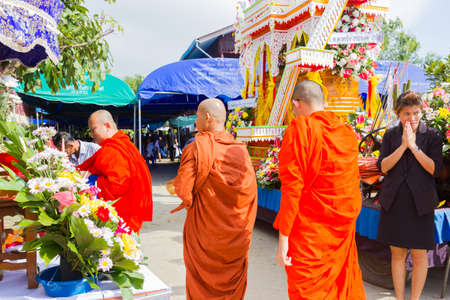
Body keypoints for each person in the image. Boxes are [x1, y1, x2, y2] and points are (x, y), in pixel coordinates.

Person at [274, 80, 365, 299]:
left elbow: (292, 187)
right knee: (338, 289)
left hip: (311, 232)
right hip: (341, 226)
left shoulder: (300, 129)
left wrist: (283, 237)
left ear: (297, 104)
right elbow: (353, 183)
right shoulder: (346, 132)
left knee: (310, 292)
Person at [168, 98, 257, 299]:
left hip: (204, 235)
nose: (195, 121)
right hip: (235, 237)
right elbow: (249, 192)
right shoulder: (241, 150)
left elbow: (183, 190)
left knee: (202, 287)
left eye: (197, 116)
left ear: (207, 117)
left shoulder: (197, 148)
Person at [376, 91, 443, 300]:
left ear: (421, 112)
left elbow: (435, 169)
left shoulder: (432, 135)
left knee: (419, 254)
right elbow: (384, 167)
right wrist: (403, 145)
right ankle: (399, 298)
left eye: (416, 113)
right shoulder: (390, 136)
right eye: (407, 113)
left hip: (421, 203)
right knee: (397, 254)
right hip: (394, 201)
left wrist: (413, 147)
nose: (412, 118)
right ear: (398, 114)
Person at [77, 110, 153, 233]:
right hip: (130, 213)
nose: (91, 134)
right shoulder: (124, 144)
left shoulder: (113, 150)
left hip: (121, 216)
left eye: (93, 129)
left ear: (107, 126)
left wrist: (89, 180)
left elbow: (116, 186)